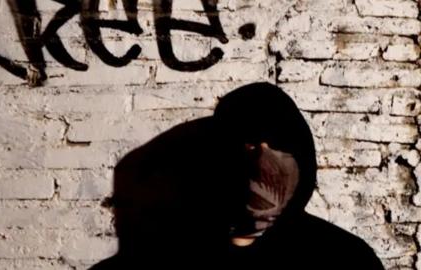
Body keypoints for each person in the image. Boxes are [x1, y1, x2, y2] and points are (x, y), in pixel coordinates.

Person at [89, 82, 385, 269]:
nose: (262, 160)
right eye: (250, 144)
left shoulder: (343, 259)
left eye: (275, 145)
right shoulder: (166, 258)